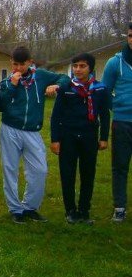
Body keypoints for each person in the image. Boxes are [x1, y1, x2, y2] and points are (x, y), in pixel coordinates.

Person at [0, 45, 68, 223]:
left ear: (30, 62)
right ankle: (15, 209)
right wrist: (13, 86)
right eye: (15, 64)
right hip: (10, 129)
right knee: (10, 169)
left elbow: (65, 78)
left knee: (39, 170)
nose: (19, 68)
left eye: (22, 64)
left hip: (32, 131)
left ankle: (30, 207)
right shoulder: (7, 82)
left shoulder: (41, 76)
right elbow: (1, 104)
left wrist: (56, 86)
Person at [50, 53, 109, 224]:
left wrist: (103, 137)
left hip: (89, 136)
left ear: (90, 68)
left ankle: (84, 210)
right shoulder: (67, 88)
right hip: (68, 136)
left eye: (82, 66)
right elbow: (56, 116)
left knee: (88, 173)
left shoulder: (99, 89)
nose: (78, 69)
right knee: (67, 174)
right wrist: (55, 139)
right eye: (75, 66)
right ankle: (70, 210)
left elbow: (104, 115)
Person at [101, 23, 132, 222]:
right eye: (130, 35)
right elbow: (104, 92)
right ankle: (119, 207)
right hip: (122, 123)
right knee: (120, 166)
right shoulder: (115, 63)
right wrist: (119, 107)